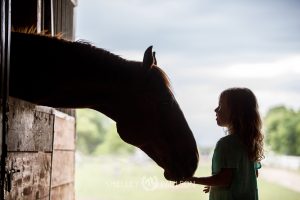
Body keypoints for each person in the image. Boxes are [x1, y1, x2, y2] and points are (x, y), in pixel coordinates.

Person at [175, 87, 264, 200]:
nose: (216, 109)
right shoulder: (250, 142)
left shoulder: (226, 144)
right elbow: (252, 175)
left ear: (236, 112)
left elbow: (224, 180)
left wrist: (190, 179)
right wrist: (214, 185)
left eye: (221, 105)